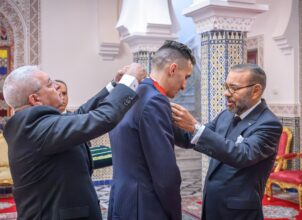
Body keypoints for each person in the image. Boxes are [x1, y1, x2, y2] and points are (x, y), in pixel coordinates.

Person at [2, 63, 145, 220]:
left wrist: (114, 85)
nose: (57, 86)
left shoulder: (34, 123)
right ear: (35, 99)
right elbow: (103, 118)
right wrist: (130, 81)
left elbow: (81, 114)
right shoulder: (34, 127)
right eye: (50, 84)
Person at [172, 63, 282, 220]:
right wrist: (163, 115)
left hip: (238, 213)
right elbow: (190, 138)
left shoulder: (268, 124)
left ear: (256, 91)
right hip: (213, 206)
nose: (226, 93)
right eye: (226, 86)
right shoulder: (226, 115)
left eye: (234, 88)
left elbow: (242, 155)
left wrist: (196, 127)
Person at [108, 40, 196, 220]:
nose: (184, 86)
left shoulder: (131, 92)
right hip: (145, 205)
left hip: (122, 197)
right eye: (186, 77)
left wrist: (198, 129)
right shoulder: (155, 101)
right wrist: (174, 212)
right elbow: (165, 173)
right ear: (172, 69)